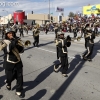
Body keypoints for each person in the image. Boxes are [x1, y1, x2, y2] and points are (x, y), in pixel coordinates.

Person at [1, 28, 24, 98]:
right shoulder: (4, 42)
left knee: (20, 77)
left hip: (18, 61)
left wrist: (20, 46)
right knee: (9, 77)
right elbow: (7, 50)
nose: (11, 34)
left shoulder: (16, 40)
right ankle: (8, 83)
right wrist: (14, 42)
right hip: (9, 62)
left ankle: (18, 90)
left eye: (12, 33)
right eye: (9, 33)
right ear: (6, 34)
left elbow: (21, 51)